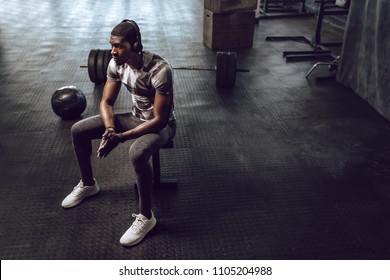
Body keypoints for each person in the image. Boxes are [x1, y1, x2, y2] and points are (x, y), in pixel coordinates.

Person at [61, 19, 176, 246]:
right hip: (133, 119)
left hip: (161, 126)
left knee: (136, 152)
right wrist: (111, 129)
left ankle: (146, 217)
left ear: (135, 44)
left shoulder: (160, 70)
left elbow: (160, 119)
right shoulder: (116, 64)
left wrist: (121, 138)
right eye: (112, 45)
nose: (113, 51)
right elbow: (106, 102)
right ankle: (88, 184)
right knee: (78, 130)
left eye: (119, 46)